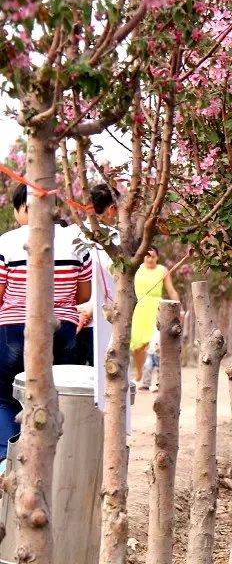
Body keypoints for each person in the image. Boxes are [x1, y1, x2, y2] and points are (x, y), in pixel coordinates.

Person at [0, 183, 92, 460]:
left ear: (24, 209)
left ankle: (7, 460)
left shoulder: (6, 242)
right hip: (63, 330)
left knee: (5, 397)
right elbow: (83, 294)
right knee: (58, 398)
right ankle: (55, 462)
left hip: (15, 331)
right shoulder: (76, 241)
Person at [74, 184, 119, 367]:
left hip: (69, 319)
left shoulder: (71, 234)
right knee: (101, 381)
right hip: (102, 321)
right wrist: (92, 306)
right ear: (111, 209)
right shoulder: (115, 238)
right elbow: (117, 277)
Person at [130, 246, 179, 387]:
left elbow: (171, 289)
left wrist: (177, 307)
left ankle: (158, 379)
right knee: (137, 344)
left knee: (155, 344)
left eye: (153, 256)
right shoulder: (136, 268)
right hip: (139, 307)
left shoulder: (162, 270)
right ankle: (139, 373)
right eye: (147, 256)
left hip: (156, 308)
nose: (150, 258)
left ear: (157, 257)